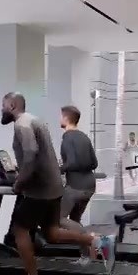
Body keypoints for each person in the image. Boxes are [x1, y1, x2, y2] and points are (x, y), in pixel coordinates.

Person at [1, 92, 115, 275]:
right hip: (55, 186)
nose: (2, 109)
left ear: (12, 105)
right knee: (52, 232)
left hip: (39, 189)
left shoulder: (22, 124)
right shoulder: (36, 121)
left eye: (3, 105)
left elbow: (31, 154)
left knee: (20, 230)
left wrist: (19, 183)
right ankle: (98, 241)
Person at [58, 105, 100, 266]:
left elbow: (72, 162)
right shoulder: (84, 137)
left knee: (58, 218)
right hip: (89, 186)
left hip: (75, 187)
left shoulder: (67, 137)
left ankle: (93, 239)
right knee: (75, 220)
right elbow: (94, 163)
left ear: (66, 118)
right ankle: (86, 257)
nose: (59, 119)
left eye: (61, 116)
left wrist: (58, 169)